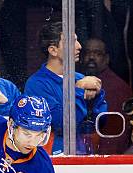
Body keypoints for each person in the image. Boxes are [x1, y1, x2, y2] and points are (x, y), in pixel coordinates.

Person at [25, 21, 108, 155]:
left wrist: (97, 96)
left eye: (77, 41)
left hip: (84, 153)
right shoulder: (37, 84)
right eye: (71, 41)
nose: (79, 46)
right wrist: (79, 90)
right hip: (55, 159)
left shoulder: (79, 78)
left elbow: (100, 123)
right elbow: (62, 124)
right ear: (53, 50)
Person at [81, 37, 133, 153]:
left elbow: (115, 134)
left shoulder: (118, 87)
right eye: (87, 52)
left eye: (97, 53)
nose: (91, 57)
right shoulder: (76, 81)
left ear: (106, 59)